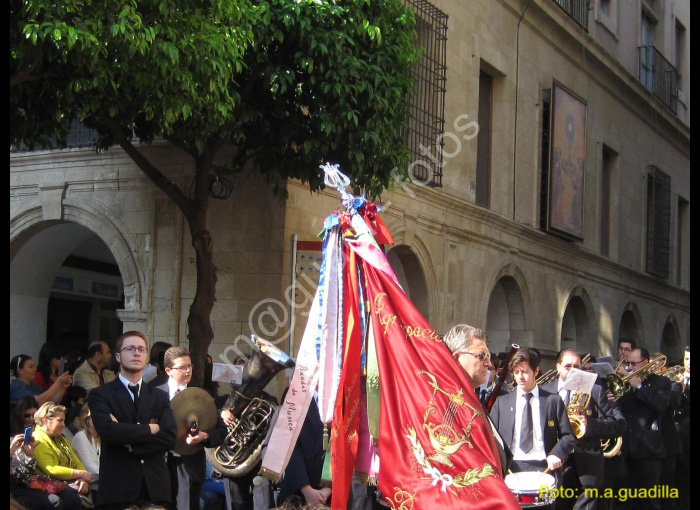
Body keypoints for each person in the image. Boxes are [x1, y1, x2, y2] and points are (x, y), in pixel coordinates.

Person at [88, 331, 176, 509]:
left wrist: (129, 442)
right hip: (118, 490)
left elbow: (169, 437)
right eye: (130, 349)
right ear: (118, 357)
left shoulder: (159, 396)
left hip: (155, 489)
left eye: (141, 349)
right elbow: (108, 432)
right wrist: (151, 429)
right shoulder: (101, 394)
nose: (136, 353)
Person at [540, 349, 626, 510]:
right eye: (568, 366)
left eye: (577, 367)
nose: (573, 371)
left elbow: (615, 426)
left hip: (587, 465)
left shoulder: (595, 390)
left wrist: (589, 424)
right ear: (557, 367)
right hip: (556, 463)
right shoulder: (544, 392)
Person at [156, 346, 227, 510]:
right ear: (168, 370)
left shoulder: (200, 397)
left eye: (190, 366)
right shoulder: (154, 394)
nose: (188, 371)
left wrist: (204, 436)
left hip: (188, 468)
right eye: (182, 367)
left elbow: (221, 431)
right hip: (159, 467)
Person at [490, 347, 575, 475]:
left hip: (544, 466)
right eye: (516, 372)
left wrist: (557, 454)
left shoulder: (553, 400)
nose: (520, 377)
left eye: (525, 371)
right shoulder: (501, 403)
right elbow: (491, 437)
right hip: (511, 467)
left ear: (536, 371)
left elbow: (568, 436)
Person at [442, 323, 512, 475]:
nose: (488, 363)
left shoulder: (470, 399)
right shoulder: (445, 404)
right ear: (457, 358)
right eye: (482, 356)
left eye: (488, 356)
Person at [608, 347, 670, 510]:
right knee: (622, 500)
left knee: (649, 500)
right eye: (629, 363)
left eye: (634, 364)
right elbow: (618, 411)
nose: (630, 368)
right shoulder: (624, 382)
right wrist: (612, 400)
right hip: (625, 449)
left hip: (648, 450)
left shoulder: (661, 382)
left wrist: (640, 387)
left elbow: (660, 405)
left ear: (646, 363)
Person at [32, 401, 93, 504]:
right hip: (48, 486)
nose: (63, 425)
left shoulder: (60, 438)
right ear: (46, 421)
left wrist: (83, 479)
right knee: (73, 501)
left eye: (64, 421)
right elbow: (50, 469)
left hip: (68, 482)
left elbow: (76, 461)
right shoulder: (37, 439)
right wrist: (80, 473)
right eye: (60, 421)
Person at [11, 431, 82, 510]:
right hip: (14, 490)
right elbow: (50, 469)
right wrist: (11, 451)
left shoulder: (13, 442)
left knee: (73, 499)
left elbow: (21, 475)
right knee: (53, 502)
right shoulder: (13, 445)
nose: (63, 425)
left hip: (23, 484)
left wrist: (29, 456)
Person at [71, 403, 101, 487]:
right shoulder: (81, 437)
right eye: (96, 415)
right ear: (87, 419)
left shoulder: (101, 436)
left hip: (102, 479)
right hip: (87, 483)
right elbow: (90, 468)